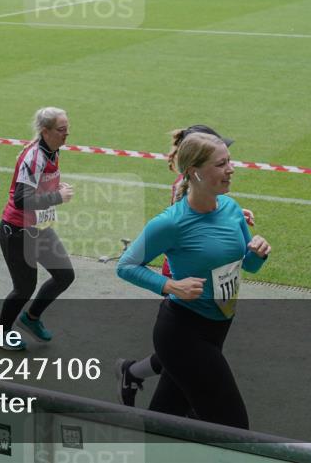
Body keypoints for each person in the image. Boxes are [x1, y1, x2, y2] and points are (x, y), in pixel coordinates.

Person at [116, 132, 270, 427]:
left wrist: (258, 253)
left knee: (166, 419)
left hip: (218, 328)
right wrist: (170, 285)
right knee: (234, 426)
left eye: (230, 161)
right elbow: (126, 265)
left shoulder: (232, 209)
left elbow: (248, 266)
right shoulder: (171, 222)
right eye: (221, 163)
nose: (231, 169)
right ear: (194, 173)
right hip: (182, 333)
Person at [0, 106, 76, 351]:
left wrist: (52, 189)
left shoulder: (52, 151)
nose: (67, 134)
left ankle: (30, 318)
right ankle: (0, 333)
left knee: (64, 275)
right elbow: (22, 199)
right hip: (18, 231)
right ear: (46, 131)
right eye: (62, 130)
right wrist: (56, 197)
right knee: (24, 288)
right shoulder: (35, 157)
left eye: (67, 129)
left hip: (39, 227)